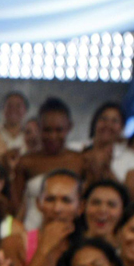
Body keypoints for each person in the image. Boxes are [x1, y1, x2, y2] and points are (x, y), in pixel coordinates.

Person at [13, 98, 86, 231]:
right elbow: (15, 206)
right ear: (38, 128)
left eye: (59, 130)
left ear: (69, 126)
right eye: (47, 130)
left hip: (72, 230)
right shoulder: (27, 161)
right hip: (31, 229)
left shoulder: (80, 161)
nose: (53, 136)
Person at [85, 102, 134, 201]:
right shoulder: (78, 149)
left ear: (122, 127)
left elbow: (132, 198)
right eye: (103, 119)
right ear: (94, 122)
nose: (108, 125)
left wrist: (107, 170)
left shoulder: (130, 157)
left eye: (115, 121)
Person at [0, 92, 29, 165]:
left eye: (18, 106)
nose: (13, 109)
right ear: (3, 109)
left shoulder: (30, 136)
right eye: (9, 105)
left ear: (25, 110)